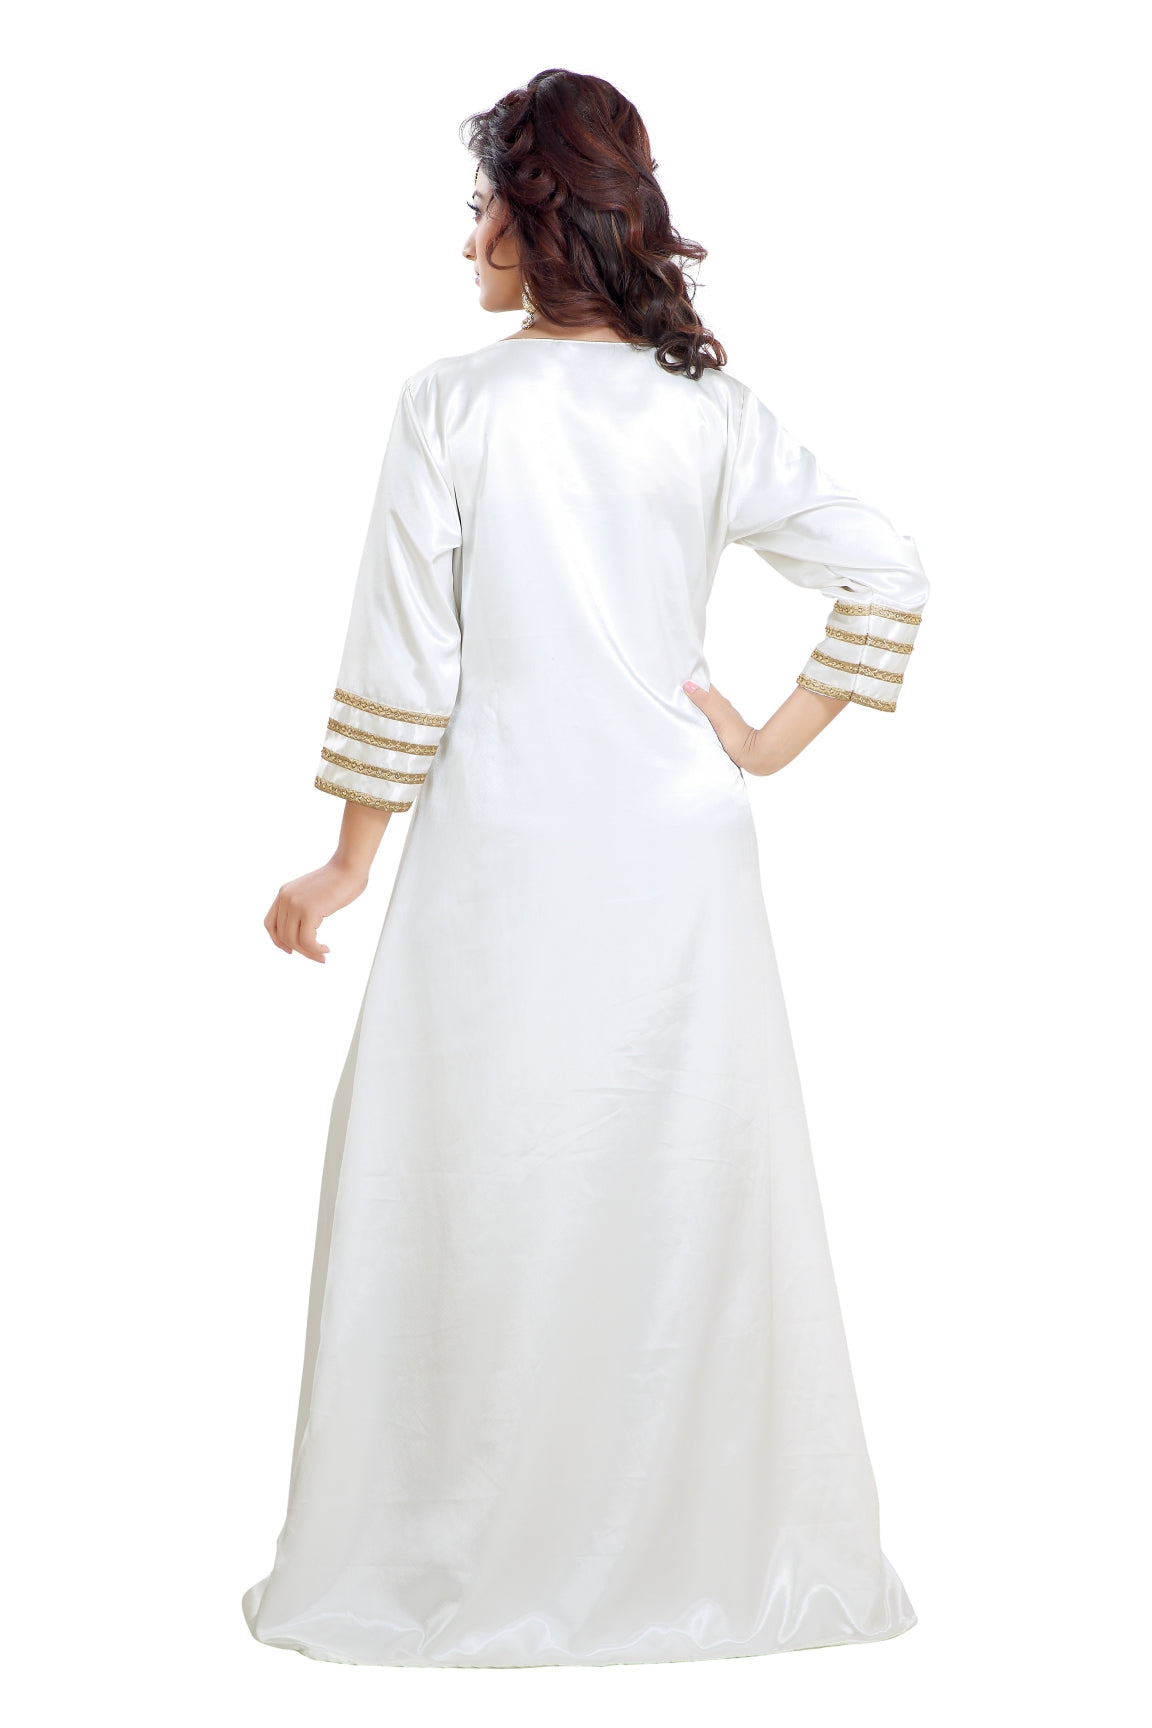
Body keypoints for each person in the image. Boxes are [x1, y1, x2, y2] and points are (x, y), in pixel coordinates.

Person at [244, 67, 928, 1668]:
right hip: (678, 858)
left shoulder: (452, 405)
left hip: (505, 846)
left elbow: (404, 653)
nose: (465, 240)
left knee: (482, 1184)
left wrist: (344, 862)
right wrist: (766, 744)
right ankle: (684, 1558)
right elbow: (887, 569)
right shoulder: (708, 408)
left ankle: (471, 1553)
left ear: (533, 215)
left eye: (479, 205)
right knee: (672, 1189)